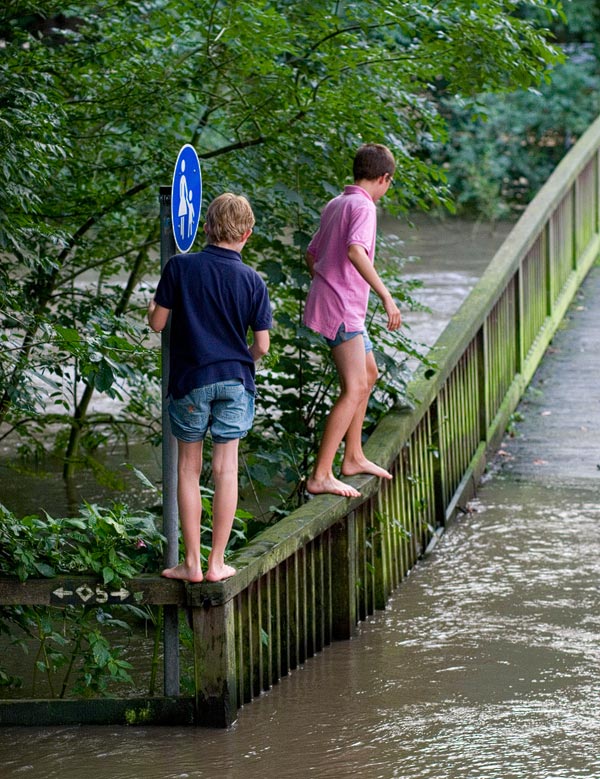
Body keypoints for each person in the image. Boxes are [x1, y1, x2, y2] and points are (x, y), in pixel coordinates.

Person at [148, 193, 272, 582]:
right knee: (226, 469)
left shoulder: (179, 268)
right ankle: (218, 562)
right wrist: (239, 364)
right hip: (236, 381)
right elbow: (263, 346)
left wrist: (152, 307)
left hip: (191, 380)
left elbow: (157, 324)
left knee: (189, 467)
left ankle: (191, 564)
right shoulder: (253, 280)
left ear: (206, 228)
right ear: (247, 234)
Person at [304, 143, 402, 499]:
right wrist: (386, 296)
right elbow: (355, 251)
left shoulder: (336, 203)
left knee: (369, 373)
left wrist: (325, 283)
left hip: (340, 306)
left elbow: (311, 255)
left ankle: (354, 456)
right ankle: (321, 474)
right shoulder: (363, 206)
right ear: (384, 178)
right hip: (344, 309)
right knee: (355, 387)